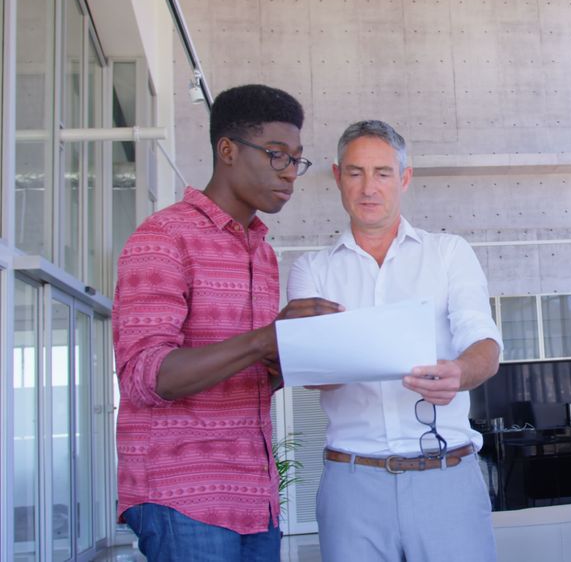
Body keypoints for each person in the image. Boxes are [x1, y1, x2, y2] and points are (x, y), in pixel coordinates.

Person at [113, 84, 343, 560]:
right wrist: (264, 341)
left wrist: (292, 363)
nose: (290, 174)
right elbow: (144, 375)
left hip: (254, 498)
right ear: (228, 150)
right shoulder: (162, 237)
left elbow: (244, 371)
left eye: (296, 159)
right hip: (183, 495)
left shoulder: (262, 252)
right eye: (277, 155)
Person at [286, 120, 501, 561]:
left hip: (446, 477)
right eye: (355, 172)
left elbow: (483, 343)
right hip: (352, 484)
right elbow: (313, 376)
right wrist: (324, 357)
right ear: (336, 176)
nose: (369, 187)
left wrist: (459, 373)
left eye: (382, 173)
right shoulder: (311, 269)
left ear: (404, 178)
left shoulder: (448, 252)